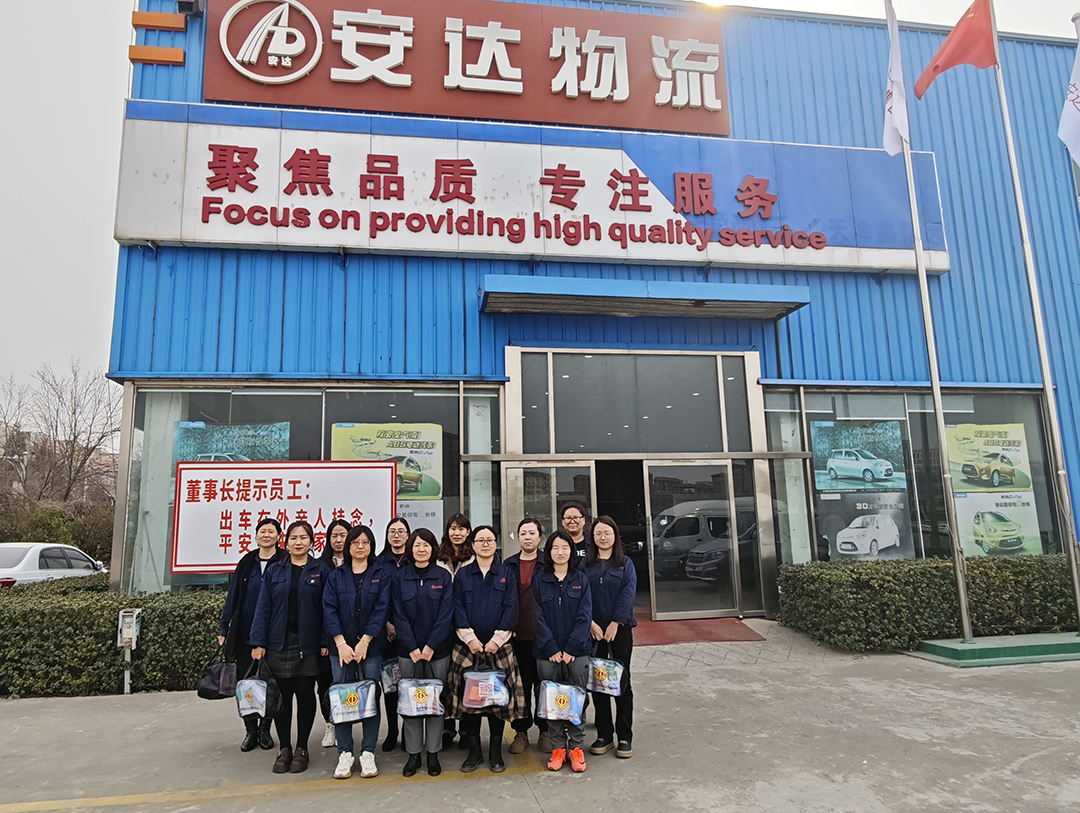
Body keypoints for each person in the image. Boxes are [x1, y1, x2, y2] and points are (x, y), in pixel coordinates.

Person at [250, 520, 331, 774]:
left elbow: (328, 608)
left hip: (308, 644)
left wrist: (325, 641)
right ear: (286, 542)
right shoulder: (275, 570)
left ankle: (302, 748)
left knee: (306, 696)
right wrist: (258, 642)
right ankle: (284, 747)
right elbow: (263, 607)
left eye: (303, 537)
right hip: (278, 643)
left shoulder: (321, 570)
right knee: (281, 699)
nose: (298, 542)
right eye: (294, 538)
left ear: (312, 542)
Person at [445, 525, 526, 774]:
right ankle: (474, 752)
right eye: (480, 540)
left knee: (496, 703)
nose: (485, 544)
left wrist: (497, 639)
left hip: (497, 648)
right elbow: (457, 607)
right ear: (473, 544)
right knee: (470, 703)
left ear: (495, 543)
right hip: (468, 648)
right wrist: (469, 638)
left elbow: (512, 607)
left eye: (489, 540)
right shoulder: (463, 575)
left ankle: (495, 752)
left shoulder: (505, 573)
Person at [323, 524, 390, 780]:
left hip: (370, 649)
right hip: (340, 650)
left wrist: (365, 642)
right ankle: (345, 752)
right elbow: (329, 609)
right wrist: (341, 643)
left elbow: (382, 609)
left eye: (365, 542)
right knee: (342, 699)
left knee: (369, 697)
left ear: (372, 546)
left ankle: (368, 751)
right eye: (355, 542)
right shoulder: (336, 576)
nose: (360, 546)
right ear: (348, 546)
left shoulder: (381, 574)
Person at [218, 517, 286, 753]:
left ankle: (265, 729)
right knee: (246, 682)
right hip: (245, 632)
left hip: (275, 632)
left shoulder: (284, 560)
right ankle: (250, 730)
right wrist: (224, 628)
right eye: (262, 531)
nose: (266, 535)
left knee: (269, 682)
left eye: (271, 531)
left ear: (279, 536)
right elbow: (233, 597)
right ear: (256, 536)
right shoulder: (246, 562)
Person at [392, 528, 455, 777]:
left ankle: (433, 753)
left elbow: (446, 614)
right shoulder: (400, 577)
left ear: (433, 549)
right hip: (408, 652)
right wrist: (412, 647)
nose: (421, 549)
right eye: (417, 545)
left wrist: (430, 646)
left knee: (435, 702)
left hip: (437, 652)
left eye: (426, 545)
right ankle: (413, 754)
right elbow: (398, 614)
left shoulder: (443, 576)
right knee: (412, 703)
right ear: (410, 548)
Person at [532, 529, 593, 772]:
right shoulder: (540, 580)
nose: (560, 552)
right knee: (552, 701)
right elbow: (537, 616)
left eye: (565, 548)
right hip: (547, 653)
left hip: (577, 652)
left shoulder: (581, 580)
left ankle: (576, 747)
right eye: (555, 548)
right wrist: (551, 647)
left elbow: (585, 616)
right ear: (549, 552)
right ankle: (558, 747)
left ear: (571, 551)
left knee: (577, 699)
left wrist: (571, 648)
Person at [584, 516, 636, 760]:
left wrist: (616, 622)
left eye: (607, 533)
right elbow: (581, 596)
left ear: (615, 536)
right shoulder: (585, 565)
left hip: (620, 630)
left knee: (622, 682)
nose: (603, 537)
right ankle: (604, 734)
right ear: (592, 537)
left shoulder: (625, 564)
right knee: (599, 683)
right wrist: (591, 623)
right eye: (598, 533)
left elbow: (628, 594)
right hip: (593, 632)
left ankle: (624, 735)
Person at [504, 517, 550, 754]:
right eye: (523, 533)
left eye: (532, 533)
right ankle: (520, 731)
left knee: (543, 685)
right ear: (518, 537)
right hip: (517, 635)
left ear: (539, 537)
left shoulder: (548, 563)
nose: (528, 537)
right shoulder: (508, 565)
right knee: (520, 687)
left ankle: (545, 730)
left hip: (543, 636)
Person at [436, 513, 472, 750]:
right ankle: (447, 728)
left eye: (461, 529)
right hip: (443, 628)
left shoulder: (474, 556)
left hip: (468, 626)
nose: (457, 533)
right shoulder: (438, 556)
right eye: (453, 528)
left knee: (466, 679)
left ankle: (467, 730)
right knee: (446, 680)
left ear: (468, 532)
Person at [316, 519, 351, 749]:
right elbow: (320, 607)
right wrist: (324, 640)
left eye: (343, 535)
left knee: (350, 684)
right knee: (326, 684)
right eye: (334, 535)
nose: (339, 540)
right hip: (327, 638)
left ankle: (347, 725)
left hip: (352, 638)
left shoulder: (359, 563)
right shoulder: (320, 566)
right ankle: (331, 724)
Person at [379, 516, 410, 752]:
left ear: (408, 535)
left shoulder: (415, 560)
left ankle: (410, 731)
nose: (396, 535)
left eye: (401, 531)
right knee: (390, 685)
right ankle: (392, 731)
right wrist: (387, 624)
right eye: (392, 531)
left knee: (409, 684)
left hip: (411, 635)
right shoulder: (379, 562)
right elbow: (377, 599)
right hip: (387, 634)